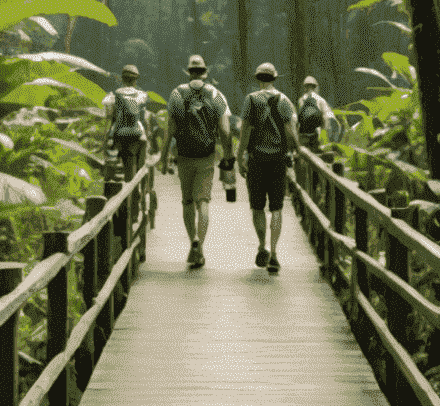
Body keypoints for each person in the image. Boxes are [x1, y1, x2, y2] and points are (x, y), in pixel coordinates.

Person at [167, 53, 232, 268]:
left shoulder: (177, 93)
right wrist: (229, 154)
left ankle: (192, 239)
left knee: (187, 201)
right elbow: (224, 129)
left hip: (184, 155)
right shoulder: (216, 94)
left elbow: (171, 129)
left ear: (188, 72)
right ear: (205, 73)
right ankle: (200, 248)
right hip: (206, 156)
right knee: (203, 201)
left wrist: (163, 155)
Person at [237, 61, 299, 274]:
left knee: (257, 207)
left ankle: (262, 245)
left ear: (258, 79)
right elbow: (290, 132)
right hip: (278, 160)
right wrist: (296, 150)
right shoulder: (285, 101)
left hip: (256, 159)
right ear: (274, 78)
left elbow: (245, 130)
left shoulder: (251, 100)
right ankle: (274, 253)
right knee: (277, 208)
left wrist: (239, 156)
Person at [102, 63, 151, 181]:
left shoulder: (115, 95)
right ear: (135, 80)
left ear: (122, 78)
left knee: (113, 154)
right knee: (142, 162)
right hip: (138, 136)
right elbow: (144, 119)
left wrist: (105, 140)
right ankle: (142, 184)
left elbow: (110, 119)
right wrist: (149, 136)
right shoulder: (142, 95)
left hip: (121, 135)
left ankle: (111, 169)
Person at [295, 75, 339, 152]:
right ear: (315, 87)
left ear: (304, 87)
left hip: (304, 136)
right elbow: (328, 118)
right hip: (317, 135)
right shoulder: (320, 100)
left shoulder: (301, 100)